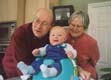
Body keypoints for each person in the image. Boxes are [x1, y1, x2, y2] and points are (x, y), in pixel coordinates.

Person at [2, 8, 53, 78]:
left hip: (35, 68)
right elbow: (21, 65)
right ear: (33, 19)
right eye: (37, 21)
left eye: (44, 24)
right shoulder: (20, 33)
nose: (38, 26)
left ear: (50, 26)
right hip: (14, 68)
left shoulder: (52, 35)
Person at [67, 10, 100, 80]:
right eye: (72, 25)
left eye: (78, 26)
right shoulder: (63, 36)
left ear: (84, 28)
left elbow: (94, 61)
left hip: (86, 72)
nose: (74, 28)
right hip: (67, 69)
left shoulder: (92, 42)